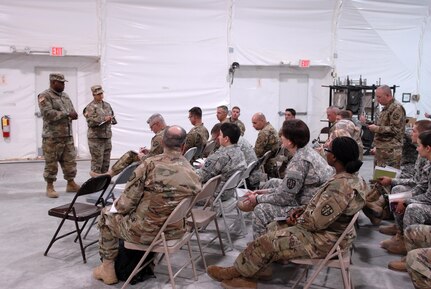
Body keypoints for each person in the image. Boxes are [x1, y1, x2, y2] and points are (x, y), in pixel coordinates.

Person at [206, 136, 367, 288]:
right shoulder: (350, 178)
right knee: (271, 228)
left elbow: (315, 223)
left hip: (325, 240)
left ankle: (242, 276)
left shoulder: (340, 188)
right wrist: (300, 211)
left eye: (328, 150)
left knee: (266, 241)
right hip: (330, 233)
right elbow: (320, 208)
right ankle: (253, 269)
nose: (325, 152)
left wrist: (298, 219)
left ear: (335, 157)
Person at [93, 125, 201, 285]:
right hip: (174, 230)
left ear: (163, 143)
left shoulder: (148, 166)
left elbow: (125, 205)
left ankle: (107, 269)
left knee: (106, 215)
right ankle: (148, 262)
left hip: (146, 232)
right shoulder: (192, 172)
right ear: (184, 146)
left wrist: (118, 204)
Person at [241, 119, 333, 239]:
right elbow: (287, 188)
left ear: (290, 142)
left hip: (307, 208)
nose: (281, 137)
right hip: (312, 197)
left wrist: (258, 199)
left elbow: (284, 198)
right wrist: (264, 192)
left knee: (260, 210)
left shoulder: (299, 162)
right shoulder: (308, 151)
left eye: (283, 135)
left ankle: (261, 247)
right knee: (272, 182)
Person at [37, 73, 80, 198]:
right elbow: (48, 114)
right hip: (52, 137)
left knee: (70, 162)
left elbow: (71, 111)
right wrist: (67, 114)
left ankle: (71, 183)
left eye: (64, 83)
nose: (63, 85)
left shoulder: (65, 96)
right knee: (51, 163)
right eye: (61, 83)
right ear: (53, 82)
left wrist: (74, 114)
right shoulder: (44, 96)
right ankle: (50, 187)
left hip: (67, 136)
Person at [91, 113, 167, 178]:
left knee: (130, 154)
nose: (151, 130)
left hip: (161, 165)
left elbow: (150, 159)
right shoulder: (172, 131)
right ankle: (108, 174)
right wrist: (149, 151)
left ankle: (108, 175)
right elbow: (163, 151)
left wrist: (142, 156)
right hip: (171, 162)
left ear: (157, 124)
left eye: (151, 127)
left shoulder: (158, 137)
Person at [196, 123, 247, 201]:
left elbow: (201, 177)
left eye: (220, 134)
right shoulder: (240, 153)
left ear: (226, 139)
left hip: (212, 195)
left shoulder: (220, 156)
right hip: (228, 192)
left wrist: (187, 171)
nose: (218, 137)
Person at [367, 85, 406, 169]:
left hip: (390, 151)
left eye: (379, 97)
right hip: (383, 148)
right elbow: (384, 124)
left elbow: (396, 129)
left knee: (387, 178)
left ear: (388, 95)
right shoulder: (387, 107)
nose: (377, 99)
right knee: (379, 177)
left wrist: (376, 128)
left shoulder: (396, 108)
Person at [84, 85, 116, 175]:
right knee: (97, 161)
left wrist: (111, 119)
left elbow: (112, 115)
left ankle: (105, 178)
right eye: (98, 94)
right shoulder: (90, 107)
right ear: (93, 95)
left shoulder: (107, 105)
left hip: (106, 136)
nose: (101, 95)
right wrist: (103, 119)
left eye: (101, 93)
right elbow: (90, 122)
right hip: (96, 138)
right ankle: (96, 179)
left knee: (106, 160)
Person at [251, 112, 280, 179]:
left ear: (262, 121)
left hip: (268, 162)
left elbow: (257, 153)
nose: (253, 125)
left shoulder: (264, 133)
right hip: (272, 159)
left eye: (255, 123)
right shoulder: (270, 127)